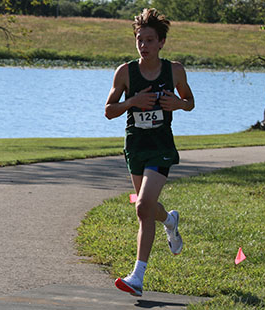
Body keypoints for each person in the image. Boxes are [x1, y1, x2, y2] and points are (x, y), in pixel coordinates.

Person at [104, 8, 195, 297]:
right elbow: (108, 111)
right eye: (140, 40)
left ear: (161, 43)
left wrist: (177, 104)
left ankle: (137, 277)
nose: (144, 45)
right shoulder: (125, 72)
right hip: (136, 146)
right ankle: (170, 220)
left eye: (150, 40)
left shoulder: (175, 70)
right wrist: (133, 100)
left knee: (142, 207)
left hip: (161, 146)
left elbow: (190, 101)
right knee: (147, 208)